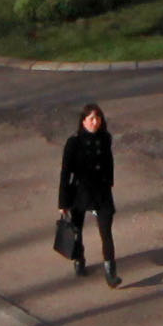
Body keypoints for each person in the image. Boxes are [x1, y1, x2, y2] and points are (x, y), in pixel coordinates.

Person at [55, 102, 113, 285]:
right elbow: (65, 173)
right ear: (83, 121)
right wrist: (63, 203)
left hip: (101, 192)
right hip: (80, 191)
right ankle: (79, 259)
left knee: (106, 232)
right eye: (91, 119)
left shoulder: (105, 138)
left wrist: (109, 182)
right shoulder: (73, 142)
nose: (95, 122)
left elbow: (109, 161)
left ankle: (110, 270)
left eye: (98, 118)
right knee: (76, 230)